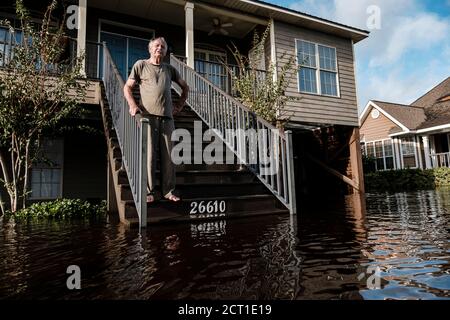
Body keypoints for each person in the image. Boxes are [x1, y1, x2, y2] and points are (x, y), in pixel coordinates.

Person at [124, 37, 189, 203]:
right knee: (150, 156)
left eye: (163, 46)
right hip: (147, 117)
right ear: (150, 49)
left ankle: (168, 191)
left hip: (167, 118)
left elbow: (185, 86)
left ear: (166, 51)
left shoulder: (169, 69)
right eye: (157, 46)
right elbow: (127, 87)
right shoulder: (141, 65)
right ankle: (148, 192)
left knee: (169, 156)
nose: (160, 48)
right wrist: (132, 105)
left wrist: (179, 106)